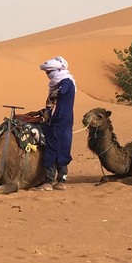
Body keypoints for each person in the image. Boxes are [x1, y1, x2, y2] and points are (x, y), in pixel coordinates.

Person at [38, 56, 76, 190]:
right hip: (57, 120)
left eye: (48, 72)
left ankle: (51, 181)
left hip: (60, 120)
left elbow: (62, 92)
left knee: (55, 148)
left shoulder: (66, 82)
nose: (47, 75)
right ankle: (56, 179)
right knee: (58, 147)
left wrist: (54, 94)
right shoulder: (59, 83)